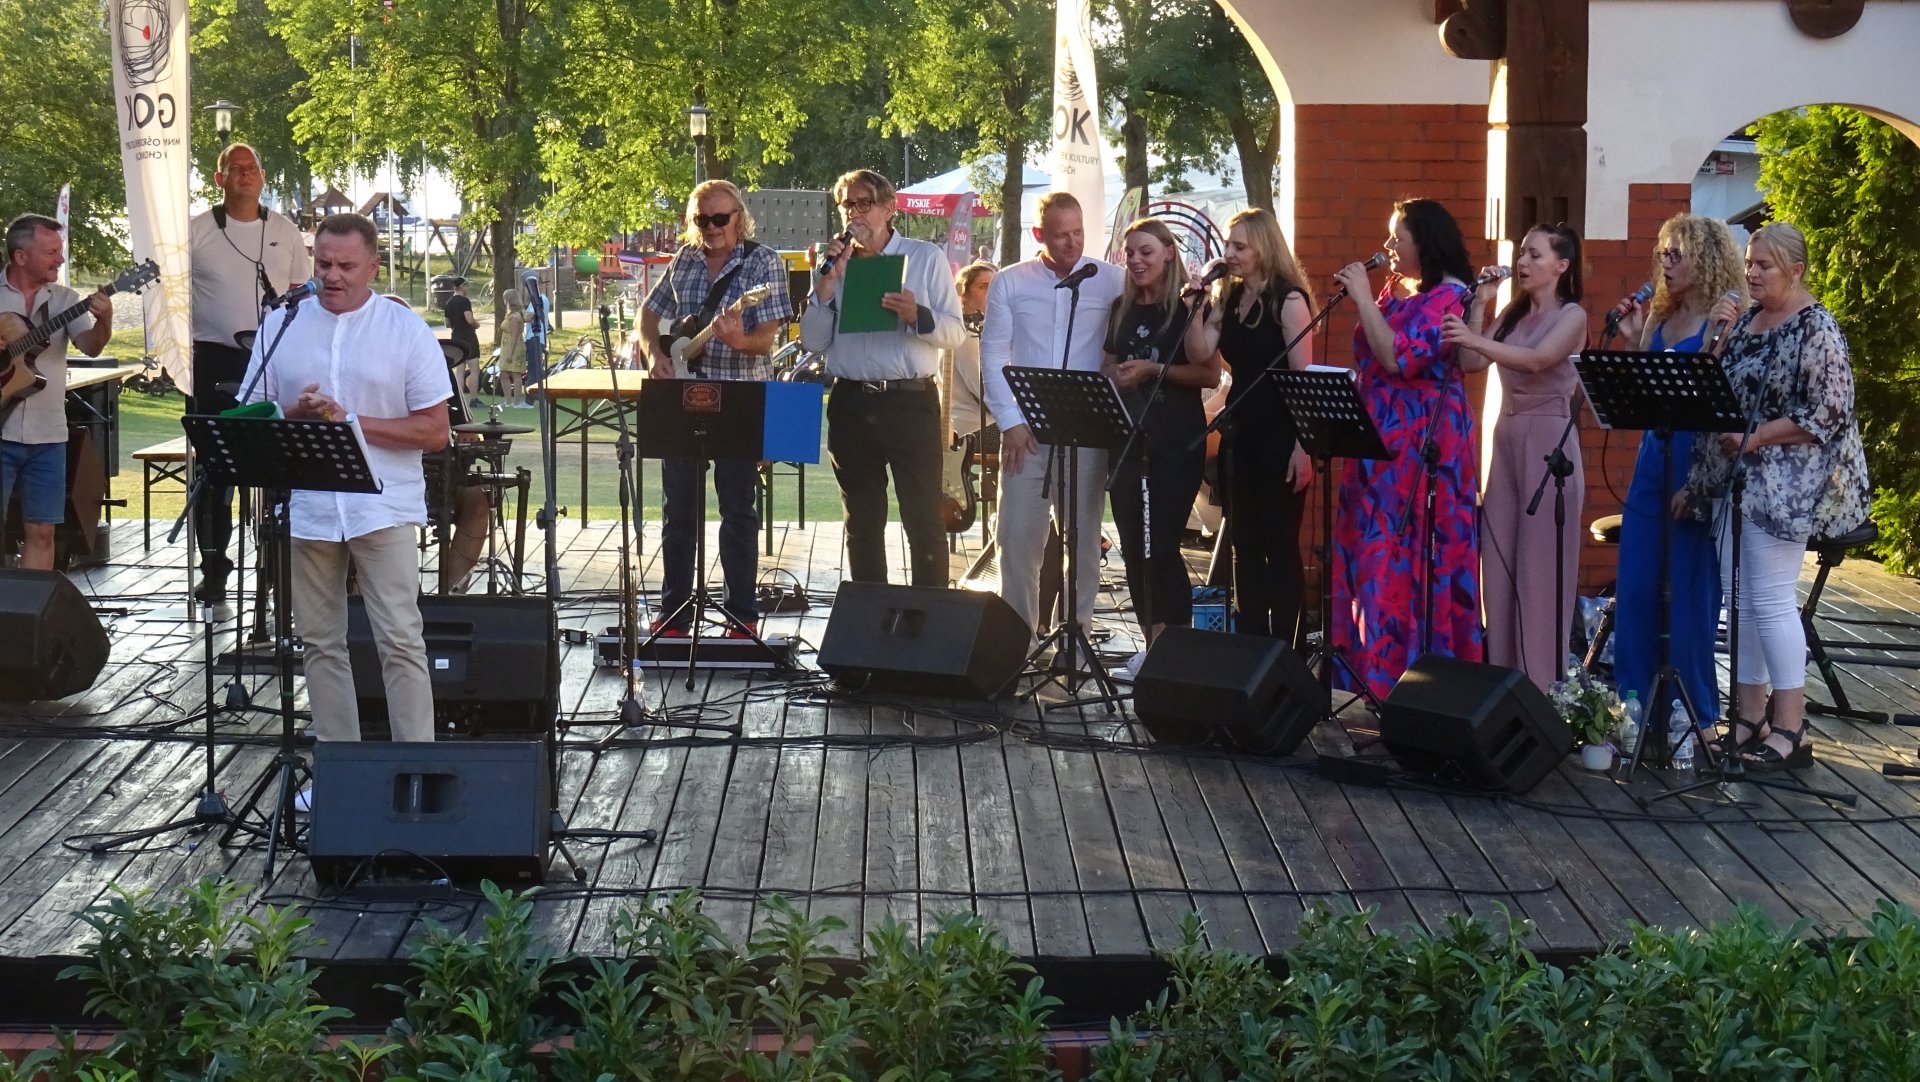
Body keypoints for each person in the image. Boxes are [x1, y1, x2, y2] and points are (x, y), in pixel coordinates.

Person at [239, 213, 446, 757]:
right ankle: (339, 764)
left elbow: (435, 431)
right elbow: (250, 415)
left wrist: (348, 420)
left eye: (346, 266)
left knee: (400, 639)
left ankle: (415, 767)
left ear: (374, 267)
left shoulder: (405, 329)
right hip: (308, 504)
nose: (332, 276)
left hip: (383, 504)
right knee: (319, 642)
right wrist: (297, 414)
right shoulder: (282, 324)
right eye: (323, 263)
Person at [1676, 222, 1870, 770]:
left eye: (1763, 265)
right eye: (1749, 263)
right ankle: (1749, 717)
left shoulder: (1816, 327)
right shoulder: (1745, 321)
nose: (1751, 273)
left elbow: (1829, 412)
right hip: (1736, 478)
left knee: (1771, 600)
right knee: (1738, 600)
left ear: (1796, 270)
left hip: (1788, 484)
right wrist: (1715, 339)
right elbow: (1710, 386)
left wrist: (1759, 436)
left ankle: (1791, 726)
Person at [1329, 199, 1482, 700]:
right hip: (1377, 444)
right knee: (1372, 559)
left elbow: (1398, 357)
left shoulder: (1452, 296)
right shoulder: (1398, 290)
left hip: (1421, 445)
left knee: (1405, 559)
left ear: (1426, 240)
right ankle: (1369, 673)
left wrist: (1363, 299)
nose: (1389, 246)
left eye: (1399, 236)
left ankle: (1412, 682)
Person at [1607, 214, 1743, 726]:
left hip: (1695, 462)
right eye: (1662, 252)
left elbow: (1719, 400)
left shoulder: (1724, 320)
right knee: (1637, 586)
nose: (1665, 262)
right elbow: (1643, 395)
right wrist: (1631, 342)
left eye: (1676, 254)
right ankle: (1633, 707)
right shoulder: (1660, 317)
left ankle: (1691, 714)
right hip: (1653, 460)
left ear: (1704, 260)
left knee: (1687, 593)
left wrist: (1699, 485)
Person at [642, 180, 794, 636]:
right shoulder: (684, 259)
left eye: (720, 219)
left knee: (738, 508)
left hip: (740, 396)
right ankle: (674, 614)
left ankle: (742, 616)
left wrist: (738, 339)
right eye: (702, 219)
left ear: (739, 219)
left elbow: (767, 340)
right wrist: (653, 354)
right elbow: (649, 314)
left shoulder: (763, 262)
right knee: (678, 509)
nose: (711, 227)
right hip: (683, 397)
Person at [800, 169, 966, 588]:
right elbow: (813, 341)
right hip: (852, 402)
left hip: (909, 401)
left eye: (864, 203)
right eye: (847, 205)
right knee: (862, 519)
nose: (854, 213)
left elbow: (955, 333)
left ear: (889, 209)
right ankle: (870, 614)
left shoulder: (925, 257)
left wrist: (917, 315)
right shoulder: (833, 264)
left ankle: (928, 614)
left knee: (923, 517)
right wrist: (825, 287)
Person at [1444, 221, 1590, 690]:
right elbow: (1471, 363)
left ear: (1561, 266)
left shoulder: (1572, 316)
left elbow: (1539, 359)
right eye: (1522, 253)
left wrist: (1473, 339)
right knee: (1499, 563)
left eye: (1534, 255)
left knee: (1538, 570)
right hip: (1506, 442)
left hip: (1548, 444)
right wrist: (1480, 306)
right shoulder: (1512, 313)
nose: (1522, 262)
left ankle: (1541, 686)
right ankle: (1503, 682)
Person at [979, 192, 1124, 641]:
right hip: (1026, 431)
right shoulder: (1011, 282)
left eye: (1078, 232)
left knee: (1083, 542)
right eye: (1061, 235)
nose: (1072, 242)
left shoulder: (1111, 280)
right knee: (1017, 539)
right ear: (1039, 234)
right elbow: (993, 355)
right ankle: (1017, 641)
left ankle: (1075, 638)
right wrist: (1010, 422)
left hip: (1086, 431)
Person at [187, 143, 311, 617]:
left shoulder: (284, 230)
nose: (245, 174)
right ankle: (215, 572)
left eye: (253, 167)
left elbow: (301, 293)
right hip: (214, 360)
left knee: (276, 467)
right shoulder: (196, 230)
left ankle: (276, 574)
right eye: (235, 168)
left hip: (275, 357)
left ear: (263, 176)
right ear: (219, 179)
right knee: (215, 469)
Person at [1184, 208, 1309, 646]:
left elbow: (1303, 380)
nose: (1230, 254)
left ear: (1264, 248)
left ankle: (1286, 649)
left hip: (1281, 435)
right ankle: (1252, 645)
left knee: (1279, 543)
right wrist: (1195, 306)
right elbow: (1200, 353)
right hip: (1241, 434)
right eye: (1228, 245)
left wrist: (1304, 447)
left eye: (1240, 246)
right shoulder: (1230, 297)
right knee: (1244, 544)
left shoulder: (1289, 301)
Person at [1104, 218, 1219, 674]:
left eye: (1146, 252)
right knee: (1134, 547)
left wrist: (1154, 371)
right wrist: (1115, 375)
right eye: (1130, 253)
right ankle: (1151, 647)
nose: (1136, 261)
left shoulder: (1188, 306)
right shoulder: (1121, 307)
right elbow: (1108, 362)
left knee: (1163, 546)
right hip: (1127, 441)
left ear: (1169, 253)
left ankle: (1179, 649)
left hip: (1175, 441)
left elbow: (1209, 373)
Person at [1, 215, 112, 572]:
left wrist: (105, 320)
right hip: (2, 432)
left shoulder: (65, 300)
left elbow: (91, 347)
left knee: (43, 532)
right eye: (51, 252)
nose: (60, 259)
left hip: (48, 434)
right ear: (21, 256)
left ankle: (28, 605)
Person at [947, 261, 997, 443]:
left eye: (994, 287)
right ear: (964, 295)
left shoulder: (961, 329)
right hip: (976, 428)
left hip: (971, 424)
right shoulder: (967, 335)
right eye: (983, 287)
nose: (991, 293)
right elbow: (987, 395)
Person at [442, 276, 481, 409]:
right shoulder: (464, 301)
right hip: (468, 337)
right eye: (467, 286)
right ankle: (473, 399)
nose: (468, 288)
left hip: (456, 337)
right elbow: (469, 319)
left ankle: (460, 399)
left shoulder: (449, 302)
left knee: (460, 370)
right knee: (474, 369)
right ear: (463, 286)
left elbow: (447, 324)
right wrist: (476, 324)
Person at [496, 287, 529, 408]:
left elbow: (514, 335)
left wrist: (510, 353)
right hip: (507, 346)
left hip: (513, 347)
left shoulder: (515, 317)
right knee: (504, 374)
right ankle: (508, 400)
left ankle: (516, 401)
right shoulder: (510, 314)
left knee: (515, 373)